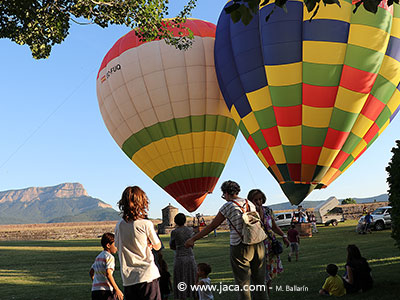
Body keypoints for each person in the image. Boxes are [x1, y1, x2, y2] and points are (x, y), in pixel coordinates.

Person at [185, 180, 267, 300]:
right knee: (260, 281)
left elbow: (212, 226)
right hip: (258, 243)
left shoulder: (228, 206)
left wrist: (193, 239)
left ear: (226, 193)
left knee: (243, 282)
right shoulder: (249, 203)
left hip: (240, 245)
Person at [114, 186, 162, 300]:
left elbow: (117, 246)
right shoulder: (145, 224)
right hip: (147, 276)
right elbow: (158, 245)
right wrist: (149, 245)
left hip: (128, 278)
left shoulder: (119, 225)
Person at [247, 189, 289, 295]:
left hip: (270, 244)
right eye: (255, 199)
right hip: (257, 245)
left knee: (269, 271)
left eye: (260, 199)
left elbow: (274, 226)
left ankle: (267, 294)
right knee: (259, 271)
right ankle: (259, 294)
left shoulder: (268, 210)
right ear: (250, 200)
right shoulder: (249, 213)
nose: (258, 201)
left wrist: (284, 236)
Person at [170, 213, 197, 300]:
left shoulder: (174, 232)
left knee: (181, 278)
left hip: (179, 257)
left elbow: (172, 245)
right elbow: (192, 244)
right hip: (189, 256)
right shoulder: (190, 230)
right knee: (192, 278)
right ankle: (194, 295)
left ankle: (182, 296)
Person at [89, 232, 124, 300]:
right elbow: (108, 274)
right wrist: (117, 289)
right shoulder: (109, 257)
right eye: (115, 244)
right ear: (108, 245)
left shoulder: (98, 257)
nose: (116, 247)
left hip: (95, 291)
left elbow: (91, 272)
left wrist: (96, 282)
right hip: (106, 291)